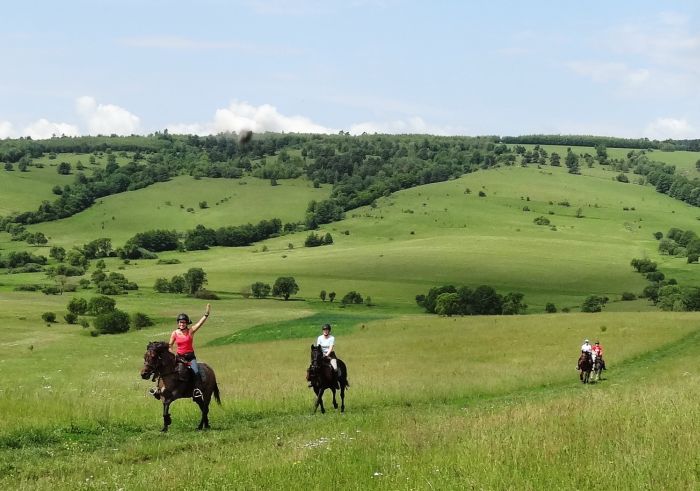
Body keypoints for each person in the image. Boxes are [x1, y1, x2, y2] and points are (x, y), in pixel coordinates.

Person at [168, 303, 211, 400]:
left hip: (190, 358)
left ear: (187, 323)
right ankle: (161, 389)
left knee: (195, 372)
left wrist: (206, 314)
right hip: (179, 357)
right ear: (178, 323)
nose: (181, 324)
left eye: (183, 322)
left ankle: (197, 390)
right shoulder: (174, 333)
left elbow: (200, 324)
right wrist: (174, 355)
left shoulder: (191, 331)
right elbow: (169, 346)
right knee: (168, 369)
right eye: (180, 322)